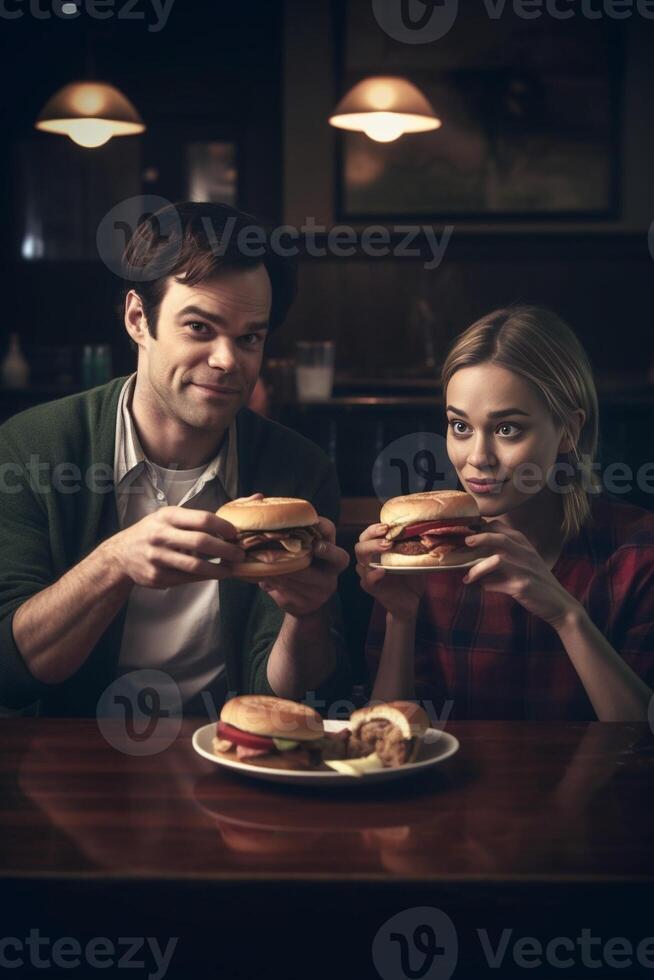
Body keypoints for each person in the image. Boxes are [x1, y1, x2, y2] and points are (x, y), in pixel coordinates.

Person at [0, 202, 351, 718]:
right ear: (139, 319)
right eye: (200, 328)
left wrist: (307, 615)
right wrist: (114, 563)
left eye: (249, 337)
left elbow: (284, 700)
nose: (228, 360)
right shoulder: (31, 448)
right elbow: (11, 670)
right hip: (71, 765)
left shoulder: (299, 471)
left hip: (232, 758)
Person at [356, 306, 654, 722]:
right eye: (460, 427)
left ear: (568, 431)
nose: (477, 458)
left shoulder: (637, 551)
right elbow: (387, 741)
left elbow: (642, 744)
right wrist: (400, 617)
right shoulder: (422, 557)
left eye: (506, 429)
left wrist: (566, 616)